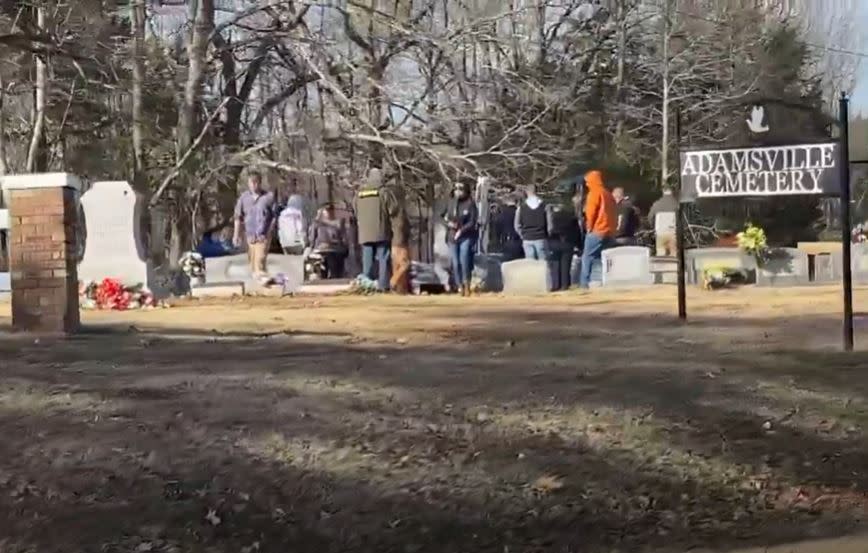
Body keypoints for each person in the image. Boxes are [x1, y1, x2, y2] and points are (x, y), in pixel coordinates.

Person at [233, 171, 276, 279]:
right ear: (248, 183)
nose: (253, 185)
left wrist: (268, 232)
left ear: (260, 183)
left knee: (260, 260)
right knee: (253, 264)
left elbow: (274, 217)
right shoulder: (243, 198)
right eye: (251, 182)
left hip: (263, 235)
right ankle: (261, 288)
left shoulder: (268, 197)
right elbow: (238, 217)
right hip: (250, 235)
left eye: (256, 182)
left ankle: (264, 286)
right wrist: (236, 235)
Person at [354, 168, 392, 290]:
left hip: (365, 232)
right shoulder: (384, 192)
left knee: (367, 260)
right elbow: (392, 209)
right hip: (381, 230)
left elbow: (355, 208)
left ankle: (367, 284)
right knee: (383, 258)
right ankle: (383, 285)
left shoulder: (360, 193)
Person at [579, 170, 616, 289]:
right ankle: (605, 281)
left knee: (587, 257)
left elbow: (591, 212)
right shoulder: (608, 194)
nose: (586, 184)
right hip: (609, 232)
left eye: (587, 182)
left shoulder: (594, 193)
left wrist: (589, 227)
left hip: (597, 230)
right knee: (604, 258)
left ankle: (584, 283)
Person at [445, 180, 479, 296]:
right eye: (456, 189)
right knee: (455, 262)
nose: (458, 192)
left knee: (464, 259)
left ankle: (466, 284)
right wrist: (448, 223)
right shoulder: (450, 202)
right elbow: (441, 216)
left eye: (461, 189)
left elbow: (472, 221)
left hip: (466, 236)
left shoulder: (470, 204)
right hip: (452, 236)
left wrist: (461, 230)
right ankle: (459, 285)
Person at [547, 199, 580, 291]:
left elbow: (548, 229)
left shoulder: (552, 217)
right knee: (566, 265)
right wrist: (578, 245)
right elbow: (576, 232)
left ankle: (555, 285)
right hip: (567, 242)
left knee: (555, 265)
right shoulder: (572, 217)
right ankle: (565, 285)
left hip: (554, 242)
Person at [309, 204, 348, 279]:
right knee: (332, 271)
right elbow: (344, 239)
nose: (329, 212)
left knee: (331, 270)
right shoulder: (317, 223)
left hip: (330, 250)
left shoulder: (317, 223)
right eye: (327, 210)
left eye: (330, 210)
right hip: (327, 251)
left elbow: (312, 239)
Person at [514, 184, 548, 260]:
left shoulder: (521, 208)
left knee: (530, 264)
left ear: (526, 192)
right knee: (543, 264)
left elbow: (517, 225)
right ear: (536, 192)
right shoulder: (544, 206)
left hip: (527, 238)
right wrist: (547, 234)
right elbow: (550, 224)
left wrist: (522, 234)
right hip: (541, 237)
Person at [648, 187, 679, 256]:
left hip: (660, 232)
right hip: (672, 232)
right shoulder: (676, 204)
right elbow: (680, 220)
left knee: (661, 254)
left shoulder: (657, 204)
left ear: (663, 192)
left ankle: (661, 265)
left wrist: (653, 227)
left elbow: (650, 217)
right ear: (672, 192)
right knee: (673, 254)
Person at [494, 196, 523, 261]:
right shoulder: (520, 212)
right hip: (520, 241)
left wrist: (498, 241)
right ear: (516, 202)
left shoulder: (502, 214)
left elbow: (497, 228)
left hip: (507, 241)